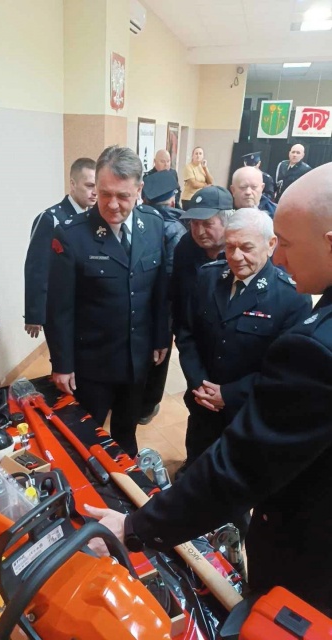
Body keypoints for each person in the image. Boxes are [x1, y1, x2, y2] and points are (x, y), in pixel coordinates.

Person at [85, 162, 332, 614]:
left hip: (308, 562)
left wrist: (134, 528)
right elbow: (190, 330)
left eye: (286, 244)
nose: (278, 258)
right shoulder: (207, 276)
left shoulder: (312, 336)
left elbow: (241, 468)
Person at [46, 146, 169, 457]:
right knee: (86, 439)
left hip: (137, 358)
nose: (112, 204)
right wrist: (62, 364)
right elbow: (59, 307)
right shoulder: (72, 235)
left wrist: (159, 338)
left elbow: (159, 291)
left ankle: (127, 483)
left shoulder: (153, 225)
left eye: (123, 196)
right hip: (93, 363)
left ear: (139, 190)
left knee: (126, 433)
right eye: (104, 194)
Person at [177, 207, 312, 474]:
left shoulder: (292, 297)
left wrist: (228, 394)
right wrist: (199, 383)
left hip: (247, 410)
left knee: (235, 475)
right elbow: (187, 333)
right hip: (202, 403)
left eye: (246, 248)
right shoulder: (208, 276)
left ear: (270, 244)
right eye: (230, 247)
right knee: (196, 463)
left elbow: (284, 368)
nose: (236, 257)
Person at [24, 157, 96, 339]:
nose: (95, 192)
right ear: (73, 184)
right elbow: (36, 268)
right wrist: (34, 313)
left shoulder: (93, 219)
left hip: (87, 307)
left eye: (97, 186)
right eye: (89, 185)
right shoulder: (51, 219)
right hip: (59, 308)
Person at [138, 170, 186, 424]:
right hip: (163, 305)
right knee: (159, 355)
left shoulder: (138, 221)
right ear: (172, 199)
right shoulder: (176, 228)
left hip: (137, 302)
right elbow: (173, 274)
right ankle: (147, 406)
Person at [170, 185, 232, 335]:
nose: (199, 232)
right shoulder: (185, 247)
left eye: (207, 224)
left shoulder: (241, 252)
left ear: (228, 222)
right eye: (194, 223)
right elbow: (178, 296)